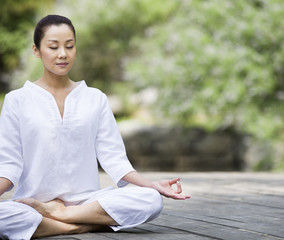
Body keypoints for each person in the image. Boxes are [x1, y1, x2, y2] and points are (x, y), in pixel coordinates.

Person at [0, 14, 190, 239]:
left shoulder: (95, 98)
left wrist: (151, 184)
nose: (63, 54)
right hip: (33, 203)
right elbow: (9, 164)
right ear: (36, 50)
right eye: (53, 47)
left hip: (89, 201)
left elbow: (114, 158)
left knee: (151, 199)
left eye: (69, 46)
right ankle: (78, 225)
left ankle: (63, 215)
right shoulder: (17, 100)